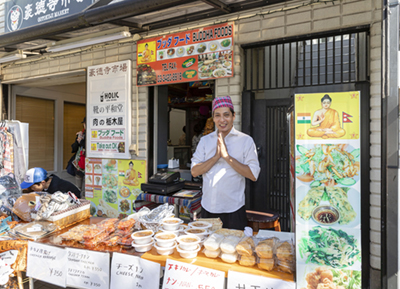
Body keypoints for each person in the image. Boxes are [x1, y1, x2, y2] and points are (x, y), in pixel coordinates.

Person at [191, 96, 261, 230]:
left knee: (233, 249)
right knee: (209, 249)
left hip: (233, 210)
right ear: (213, 118)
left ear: (233, 116)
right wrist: (216, 157)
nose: (222, 120)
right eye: (217, 115)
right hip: (208, 208)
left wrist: (227, 157)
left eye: (226, 115)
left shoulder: (245, 141)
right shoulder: (205, 141)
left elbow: (253, 174)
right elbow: (194, 171)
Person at [70, 117, 86, 195]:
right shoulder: (81, 134)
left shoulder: (93, 134)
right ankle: (78, 200)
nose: (84, 125)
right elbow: (74, 148)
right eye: (84, 124)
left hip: (89, 164)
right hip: (79, 163)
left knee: (88, 187)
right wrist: (78, 141)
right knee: (77, 187)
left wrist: (82, 142)